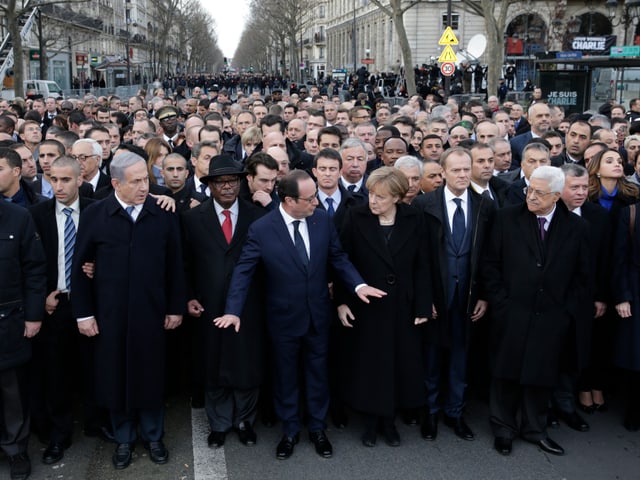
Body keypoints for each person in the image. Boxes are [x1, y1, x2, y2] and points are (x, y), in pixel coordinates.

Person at [213, 170, 385, 460]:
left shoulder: (322, 221)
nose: (316, 202)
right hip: (282, 320)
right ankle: (290, 431)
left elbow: (338, 258)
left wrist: (359, 285)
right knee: (285, 378)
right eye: (310, 198)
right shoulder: (262, 228)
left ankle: (318, 429)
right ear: (290, 200)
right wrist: (233, 310)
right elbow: (243, 271)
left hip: (318, 316)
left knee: (318, 375)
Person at [72, 152, 186, 470]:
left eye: (146, 179)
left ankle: (153, 436)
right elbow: (80, 267)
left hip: (152, 313)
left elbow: (176, 266)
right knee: (115, 374)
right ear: (116, 184)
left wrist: (176, 307)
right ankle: (123, 438)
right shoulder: (96, 214)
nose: (143, 187)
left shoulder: (161, 212)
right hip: (110, 316)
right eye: (135, 181)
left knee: (151, 375)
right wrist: (84, 314)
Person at [482, 166, 591, 457]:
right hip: (512, 311)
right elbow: (489, 264)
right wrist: (501, 303)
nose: (531, 196)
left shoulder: (577, 228)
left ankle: (535, 429)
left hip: (552, 316)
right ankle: (504, 429)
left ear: (556, 196)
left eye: (539, 193)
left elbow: (582, 276)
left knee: (540, 376)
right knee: (505, 374)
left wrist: (566, 311)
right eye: (530, 189)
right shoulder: (506, 218)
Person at [336, 167, 431, 447]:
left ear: (398, 198)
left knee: (397, 363)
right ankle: (369, 421)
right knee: (368, 364)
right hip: (365, 305)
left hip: (402, 304)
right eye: (371, 195)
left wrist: (423, 306)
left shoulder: (415, 218)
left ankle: (389, 421)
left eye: (380, 197)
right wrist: (342, 301)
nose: (373, 201)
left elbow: (423, 264)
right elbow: (342, 260)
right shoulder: (355, 216)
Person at [181, 154, 266, 448]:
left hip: (249, 305)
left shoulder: (258, 216)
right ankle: (218, 424)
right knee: (212, 364)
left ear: (241, 183)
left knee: (246, 365)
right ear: (210, 186)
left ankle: (244, 421)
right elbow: (185, 263)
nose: (227, 187)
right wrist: (189, 296)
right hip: (208, 305)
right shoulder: (192, 218)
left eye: (232, 181)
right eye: (220, 182)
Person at [413, 147, 494, 443]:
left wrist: (484, 294)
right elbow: (418, 259)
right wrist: (425, 299)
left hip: (468, 296)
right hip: (437, 295)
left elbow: (489, 256)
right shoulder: (424, 205)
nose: (462, 175)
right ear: (443, 173)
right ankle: (431, 412)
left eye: (465, 169)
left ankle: (455, 412)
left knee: (461, 356)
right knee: (432, 356)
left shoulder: (484, 205)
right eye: (456, 170)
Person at [28, 156, 93, 466]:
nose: (59, 186)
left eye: (66, 179)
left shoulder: (97, 209)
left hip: (92, 303)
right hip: (55, 305)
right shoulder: (37, 214)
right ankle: (59, 434)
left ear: (80, 179)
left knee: (94, 364)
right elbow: (29, 263)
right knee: (55, 373)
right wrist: (42, 296)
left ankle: (96, 422)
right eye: (54, 179)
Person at [0, 188, 46, 480]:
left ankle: (15, 449)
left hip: (9, 321)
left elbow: (34, 270)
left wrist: (33, 315)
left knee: (11, 392)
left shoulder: (18, 217)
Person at [613, 200, 640, 431]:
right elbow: (619, 259)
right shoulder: (631, 213)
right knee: (636, 357)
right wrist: (622, 296)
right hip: (636, 291)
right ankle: (634, 410)